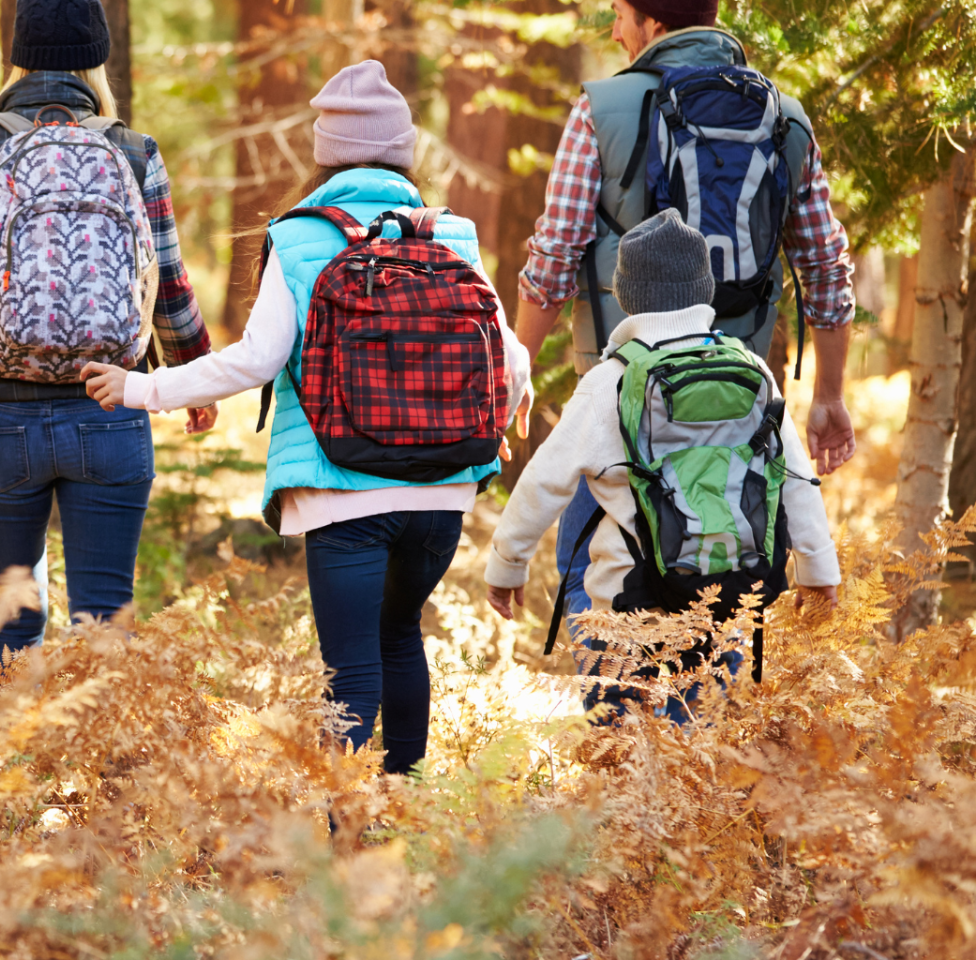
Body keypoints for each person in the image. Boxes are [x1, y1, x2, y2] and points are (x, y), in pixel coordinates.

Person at [83, 61, 533, 775]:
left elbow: (255, 361)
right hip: (444, 493)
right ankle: (402, 804)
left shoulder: (298, 238)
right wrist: (491, 432)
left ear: (326, 152)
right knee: (401, 636)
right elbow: (507, 360)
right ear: (403, 152)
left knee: (349, 667)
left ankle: (346, 838)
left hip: (339, 488)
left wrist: (141, 389)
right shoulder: (456, 234)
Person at [0, 0, 217, 671]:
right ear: (98, 61)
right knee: (104, 623)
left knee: (8, 617)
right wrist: (191, 380)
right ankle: (104, 772)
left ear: (18, 57)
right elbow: (168, 282)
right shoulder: (134, 149)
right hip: (111, 409)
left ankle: (15, 769)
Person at [510, 0, 858, 644]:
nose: (615, 30)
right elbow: (827, 267)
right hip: (741, 400)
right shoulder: (784, 118)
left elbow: (555, 253)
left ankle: (625, 733)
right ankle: (704, 737)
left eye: (619, 13)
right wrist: (829, 395)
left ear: (653, 21)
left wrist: (518, 369)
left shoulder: (601, 109)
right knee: (730, 575)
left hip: (623, 406)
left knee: (595, 569)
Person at [485, 211, 840, 720]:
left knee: (625, 749)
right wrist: (817, 568)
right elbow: (796, 479)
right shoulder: (750, 368)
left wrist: (507, 564)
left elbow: (543, 483)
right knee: (701, 748)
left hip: (628, 608)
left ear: (623, 295)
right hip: (725, 601)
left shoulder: (609, 380)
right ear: (706, 290)